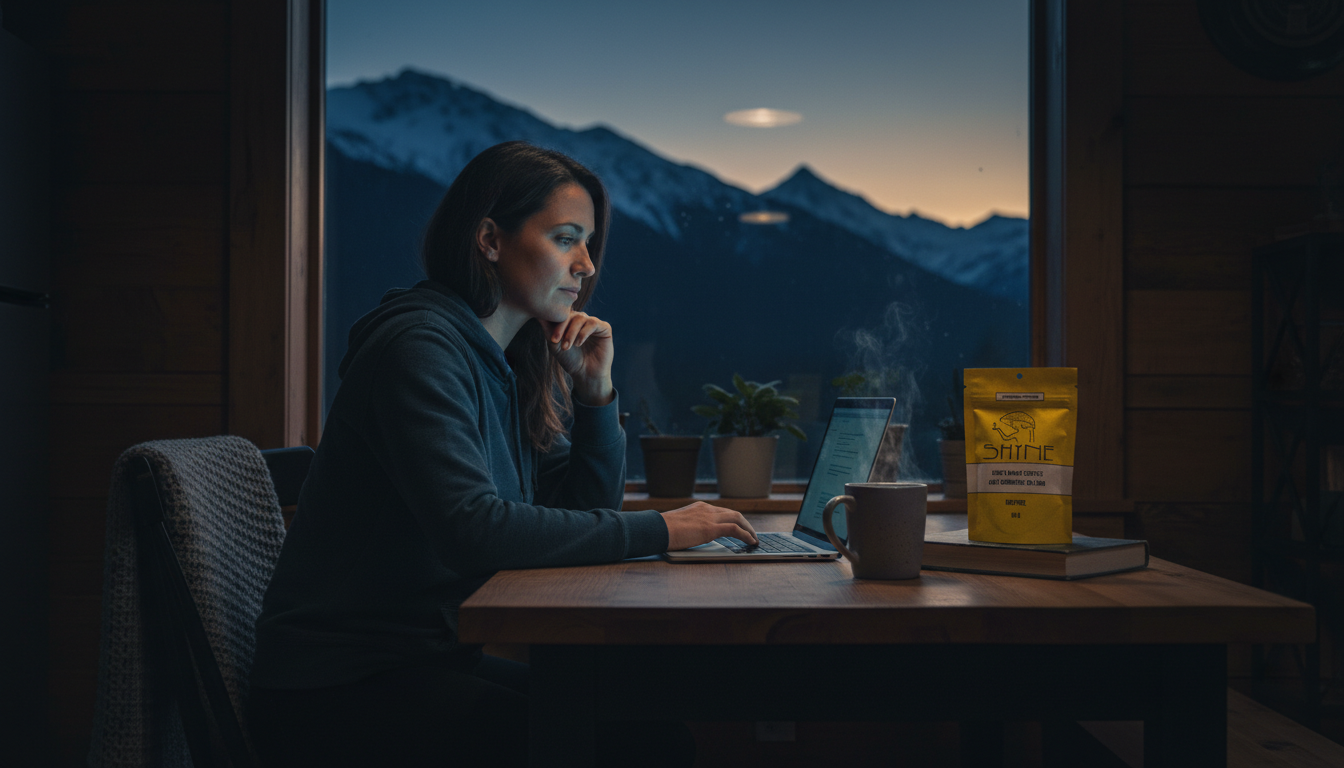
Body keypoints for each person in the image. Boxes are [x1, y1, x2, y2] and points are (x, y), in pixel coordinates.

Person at [246, 141, 759, 767]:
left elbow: (580, 505)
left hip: (421, 665)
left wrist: (595, 394)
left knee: (652, 732)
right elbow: (474, 529)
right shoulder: (419, 350)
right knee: (642, 746)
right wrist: (660, 530)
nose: (587, 265)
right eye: (566, 238)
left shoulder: (502, 363)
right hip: (333, 694)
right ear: (489, 239)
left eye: (588, 243)